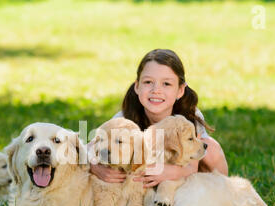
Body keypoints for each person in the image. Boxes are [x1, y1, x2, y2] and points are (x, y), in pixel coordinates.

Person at [90, 49, 228, 188]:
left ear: (180, 90)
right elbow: (90, 147)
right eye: (148, 82)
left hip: (182, 177)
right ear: (137, 86)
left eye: (166, 84)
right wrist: (95, 167)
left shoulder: (189, 116)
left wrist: (172, 172)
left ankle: (224, 193)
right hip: (141, 180)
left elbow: (191, 167)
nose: (156, 90)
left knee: (212, 149)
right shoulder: (125, 118)